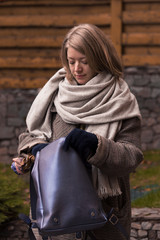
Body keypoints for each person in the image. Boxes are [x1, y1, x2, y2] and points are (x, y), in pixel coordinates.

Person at [11, 23, 143, 240]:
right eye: (71, 61)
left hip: (106, 221)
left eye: (84, 61)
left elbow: (132, 156)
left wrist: (98, 147)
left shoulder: (121, 100)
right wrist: (34, 152)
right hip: (61, 221)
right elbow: (31, 134)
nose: (76, 69)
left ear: (99, 58)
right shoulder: (55, 94)